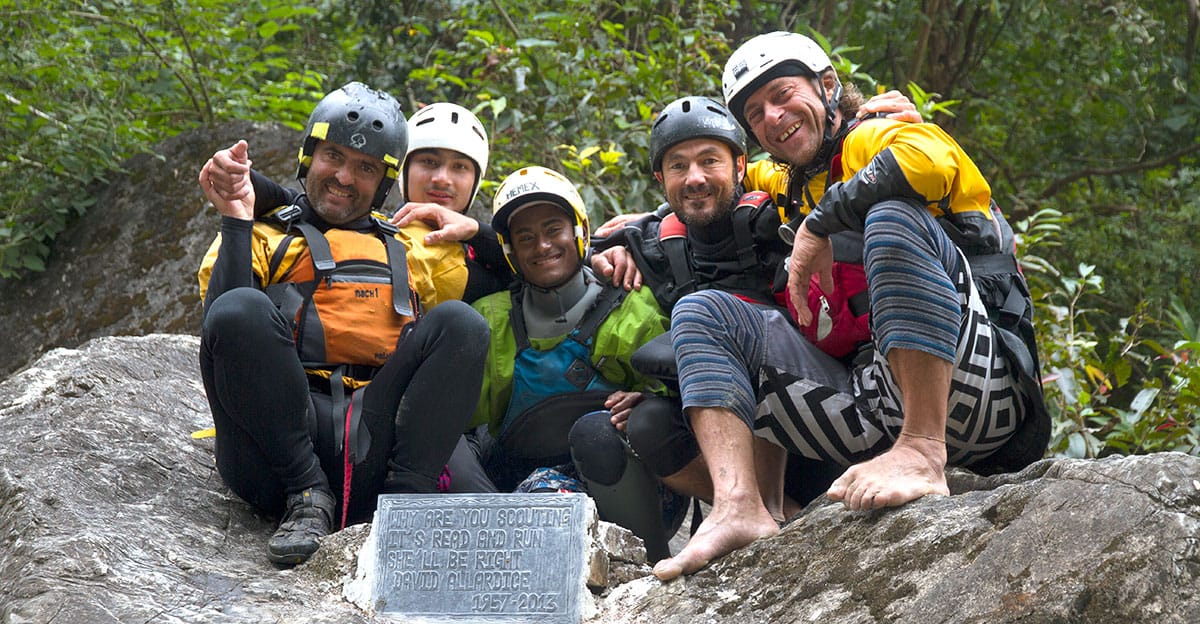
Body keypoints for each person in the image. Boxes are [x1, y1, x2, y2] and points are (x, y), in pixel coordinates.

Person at [649, 31, 1048, 581]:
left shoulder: (873, 135)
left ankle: (924, 451)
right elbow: (714, 185)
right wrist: (635, 230)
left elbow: (928, 159)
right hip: (869, 409)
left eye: (784, 93)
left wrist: (819, 223)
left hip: (978, 393)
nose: (773, 115)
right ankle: (739, 506)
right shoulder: (785, 176)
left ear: (828, 86)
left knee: (891, 216)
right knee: (700, 313)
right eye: (756, 111)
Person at [196, 82, 489, 565]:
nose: (345, 178)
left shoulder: (414, 248)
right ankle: (306, 495)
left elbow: (529, 268)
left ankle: (406, 508)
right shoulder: (267, 234)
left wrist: (479, 228)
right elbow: (221, 330)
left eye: (366, 168)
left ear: (384, 184)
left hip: (375, 446)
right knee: (238, 309)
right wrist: (236, 217)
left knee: (462, 323)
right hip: (275, 453)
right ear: (308, 156)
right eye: (333, 156)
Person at [448, 165, 685, 561]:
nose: (542, 246)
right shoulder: (489, 319)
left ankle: (649, 567)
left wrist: (650, 405)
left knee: (592, 441)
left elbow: (677, 403)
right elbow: (462, 422)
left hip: (631, 478)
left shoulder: (632, 303)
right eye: (526, 238)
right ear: (509, 252)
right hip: (522, 478)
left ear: (579, 233)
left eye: (554, 230)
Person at [207, 101, 512, 308]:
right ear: (400, 174)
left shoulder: (457, 252)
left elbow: (533, 276)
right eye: (429, 162)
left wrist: (475, 231)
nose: (442, 179)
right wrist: (245, 187)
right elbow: (318, 208)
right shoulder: (383, 231)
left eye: (460, 168)